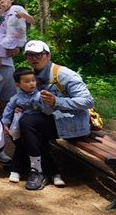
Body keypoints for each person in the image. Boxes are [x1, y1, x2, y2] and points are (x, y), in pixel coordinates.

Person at [21, 40, 93, 189]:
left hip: (73, 123)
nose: (34, 58)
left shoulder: (64, 75)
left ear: (48, 56)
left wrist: (57, 102)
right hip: (52, 119)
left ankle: (39, 171)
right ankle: (46, 169)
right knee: (20, 120)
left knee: (29, 123)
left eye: (39, 54)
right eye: (30, 55)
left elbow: (88, 101)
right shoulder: (33, 76)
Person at [1, 67, 45, 184]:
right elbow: (8, 109)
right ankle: (20, 168)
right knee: (21, 142)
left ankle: (18, 168)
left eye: (33, 80)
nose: (31, 83)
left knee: (27, 142)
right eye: (27, 81)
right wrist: (5, 122)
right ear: (18, 84)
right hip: (20, 126)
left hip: (37, 127)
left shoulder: (40, 95)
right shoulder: (16, 98)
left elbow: (47, 109)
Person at [0, 0, 35, 86]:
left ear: (12, 0)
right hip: (8, 39)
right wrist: (2, 9)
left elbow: (32, 21)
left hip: (17, 39)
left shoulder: (17, 8)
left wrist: (23, 15)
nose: (2, 1)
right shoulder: (0, 14)